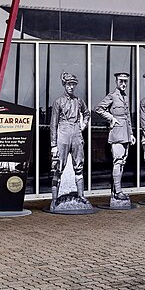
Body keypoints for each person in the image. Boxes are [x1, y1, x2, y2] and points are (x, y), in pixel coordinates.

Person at [95, 72, 135, 202]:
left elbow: (128, 117)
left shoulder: (126, 98)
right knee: (117, 162)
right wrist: (111, 118)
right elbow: (99, 108)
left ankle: (116, 191)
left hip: (126, 135)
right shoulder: (112, 96)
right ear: (116, 82)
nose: (123, 84)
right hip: (117, 134)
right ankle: (117, 192)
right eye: (121, 81)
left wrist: (131, 134)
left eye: (125, 81)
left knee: (122, 162)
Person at [50, 72, 89, 203]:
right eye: (68, 84)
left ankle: (81, 196)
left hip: (76, 134)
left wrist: (83, 125)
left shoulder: (79, 101)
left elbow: (87, 113)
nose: (71, 87)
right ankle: (54, 199)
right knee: (58, 167)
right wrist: (53, 145)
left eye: (73, 84)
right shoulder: (58, 102)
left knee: (79, 165)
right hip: (63, 134)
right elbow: (53, 125)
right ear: (64, 85)